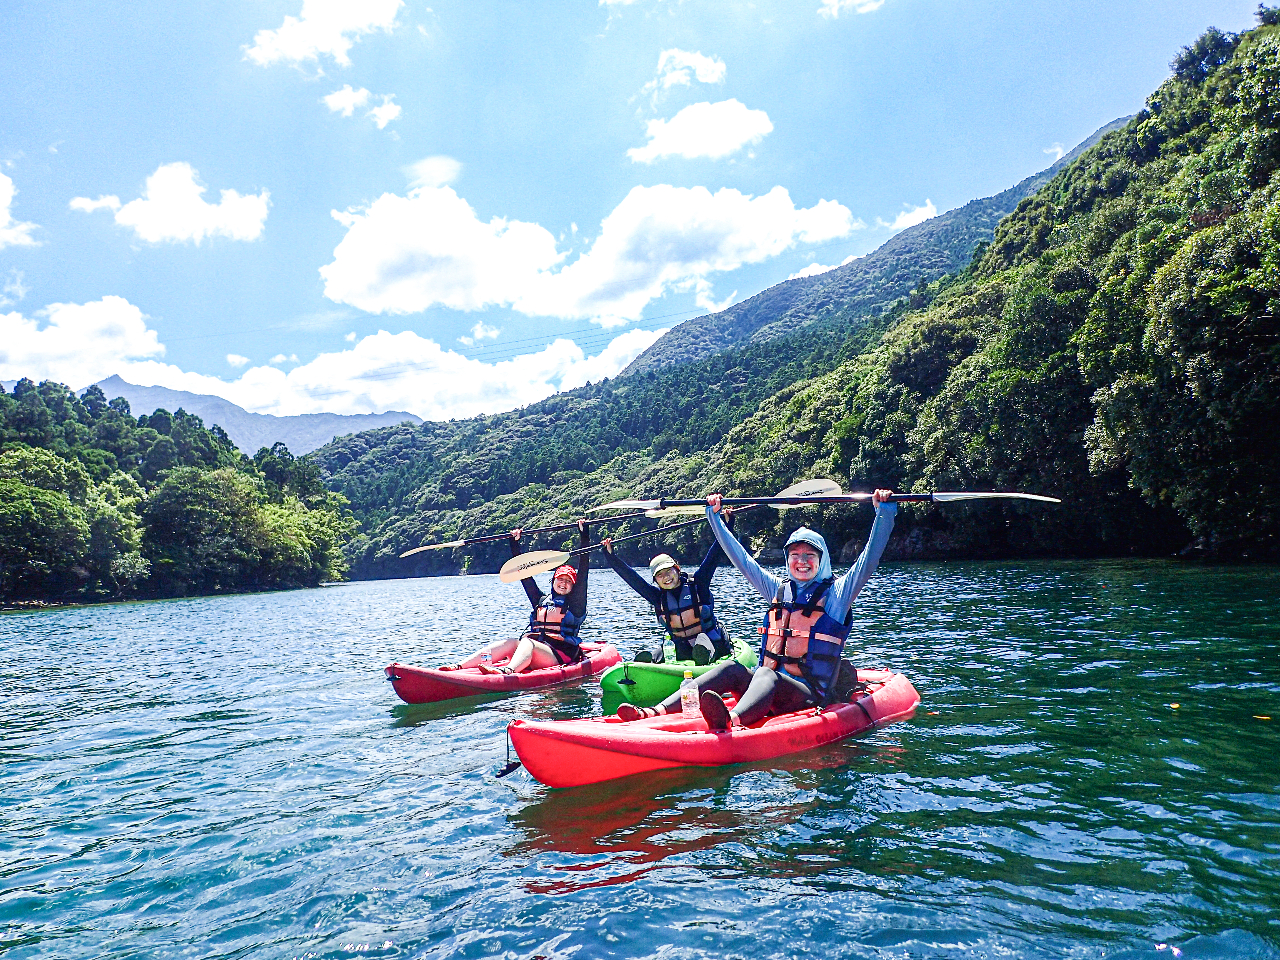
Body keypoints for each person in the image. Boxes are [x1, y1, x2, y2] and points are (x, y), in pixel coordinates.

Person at [616, 490, 896, 729]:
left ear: (821, 560)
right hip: (769, 686)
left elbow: (869, 559)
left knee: (765, 674)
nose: (801, 561)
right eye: (794, 555)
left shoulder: (837, 594)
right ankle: (653, 711)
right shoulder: (777, 589)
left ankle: (731, 721)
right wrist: (714, 516)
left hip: (809, 694)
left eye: (809, 555)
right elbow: (741, 559)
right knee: (730, 667)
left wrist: (883, 513)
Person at [445, 519, 592, 674]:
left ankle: (508, 671)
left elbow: (584, 570)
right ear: (553, 581)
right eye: (560, 579)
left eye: (568, 581)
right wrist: (514, 543)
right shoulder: (541, 600)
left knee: (528, 642)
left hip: (561, 654)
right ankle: (459, 666)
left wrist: (584, 535)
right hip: (537, 649)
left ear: (573, 586)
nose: (563, 583)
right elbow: (524, 574)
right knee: (509, 643)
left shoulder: (576, 604)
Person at [601, 511, 736, 665]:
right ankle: (645, 665)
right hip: (681, 647)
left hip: (711, 642)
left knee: (701, 644)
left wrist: (727, 525)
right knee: (659, 652)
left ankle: (703, 658)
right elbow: (632, 578)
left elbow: (714, 556)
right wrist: (610, 556)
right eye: (660, 575)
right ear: (655, 580)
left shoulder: (698, 584)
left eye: (668, 571)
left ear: (677, 569)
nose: (666, 577)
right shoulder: (657, 597)